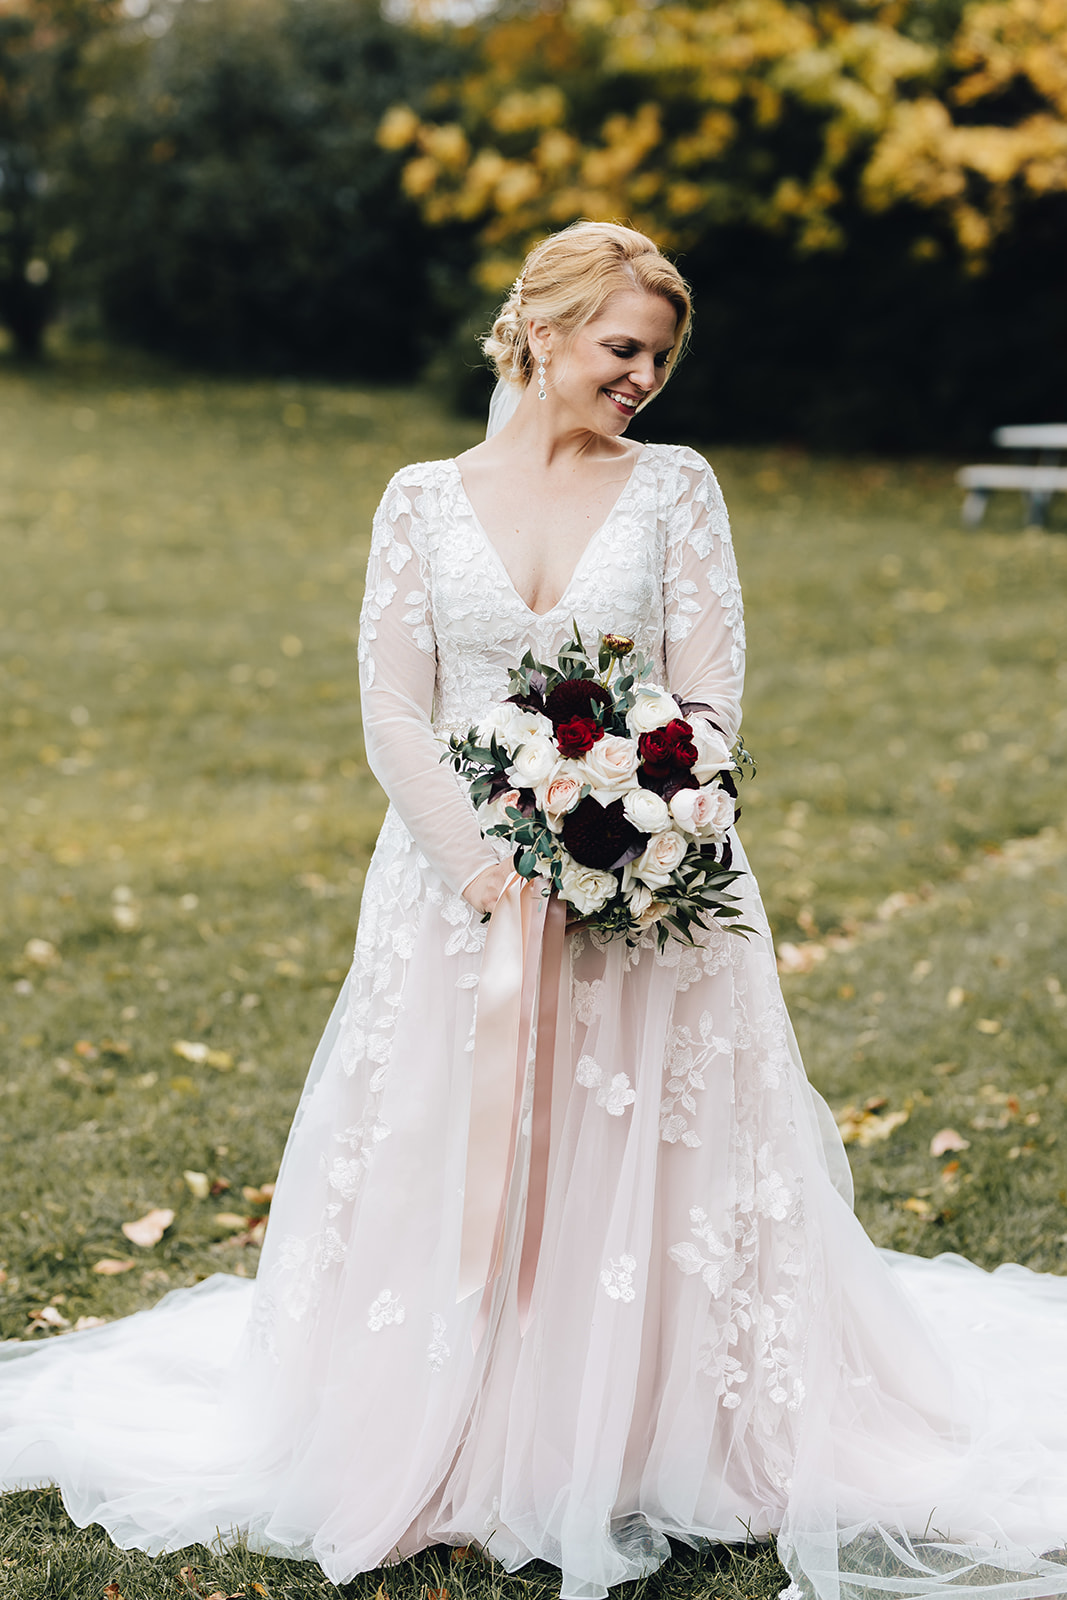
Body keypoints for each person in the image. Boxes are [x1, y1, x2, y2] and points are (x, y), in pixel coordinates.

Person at [3, 220, 1067, 1600]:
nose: (643, 379)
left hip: (650, 898)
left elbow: (711, 702)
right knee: (459, 1147)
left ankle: (639, 1431)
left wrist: (632, 831)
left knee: (643, 1157)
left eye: (661, 360)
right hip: (455, 898)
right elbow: (393, 705)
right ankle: (454, 1426)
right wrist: (485, 862)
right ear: (545, 329)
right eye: (624, 349)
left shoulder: (678, 491)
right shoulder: (419, 499)